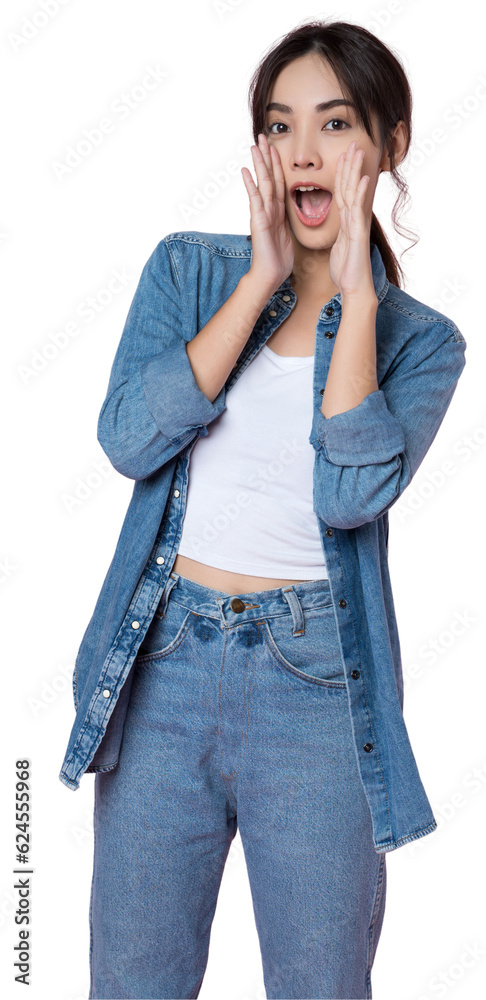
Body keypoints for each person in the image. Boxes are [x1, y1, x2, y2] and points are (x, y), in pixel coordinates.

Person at [59, 18, 467, 1000]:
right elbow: (126, 440)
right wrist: (261, 281)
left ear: (391, 142)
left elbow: (350, 490)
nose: (304, 153)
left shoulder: (423, 344)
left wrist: (357, 299)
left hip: (318, 690)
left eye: (334, 124)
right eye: (281, 128)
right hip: (161, 673)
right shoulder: (190, 272)